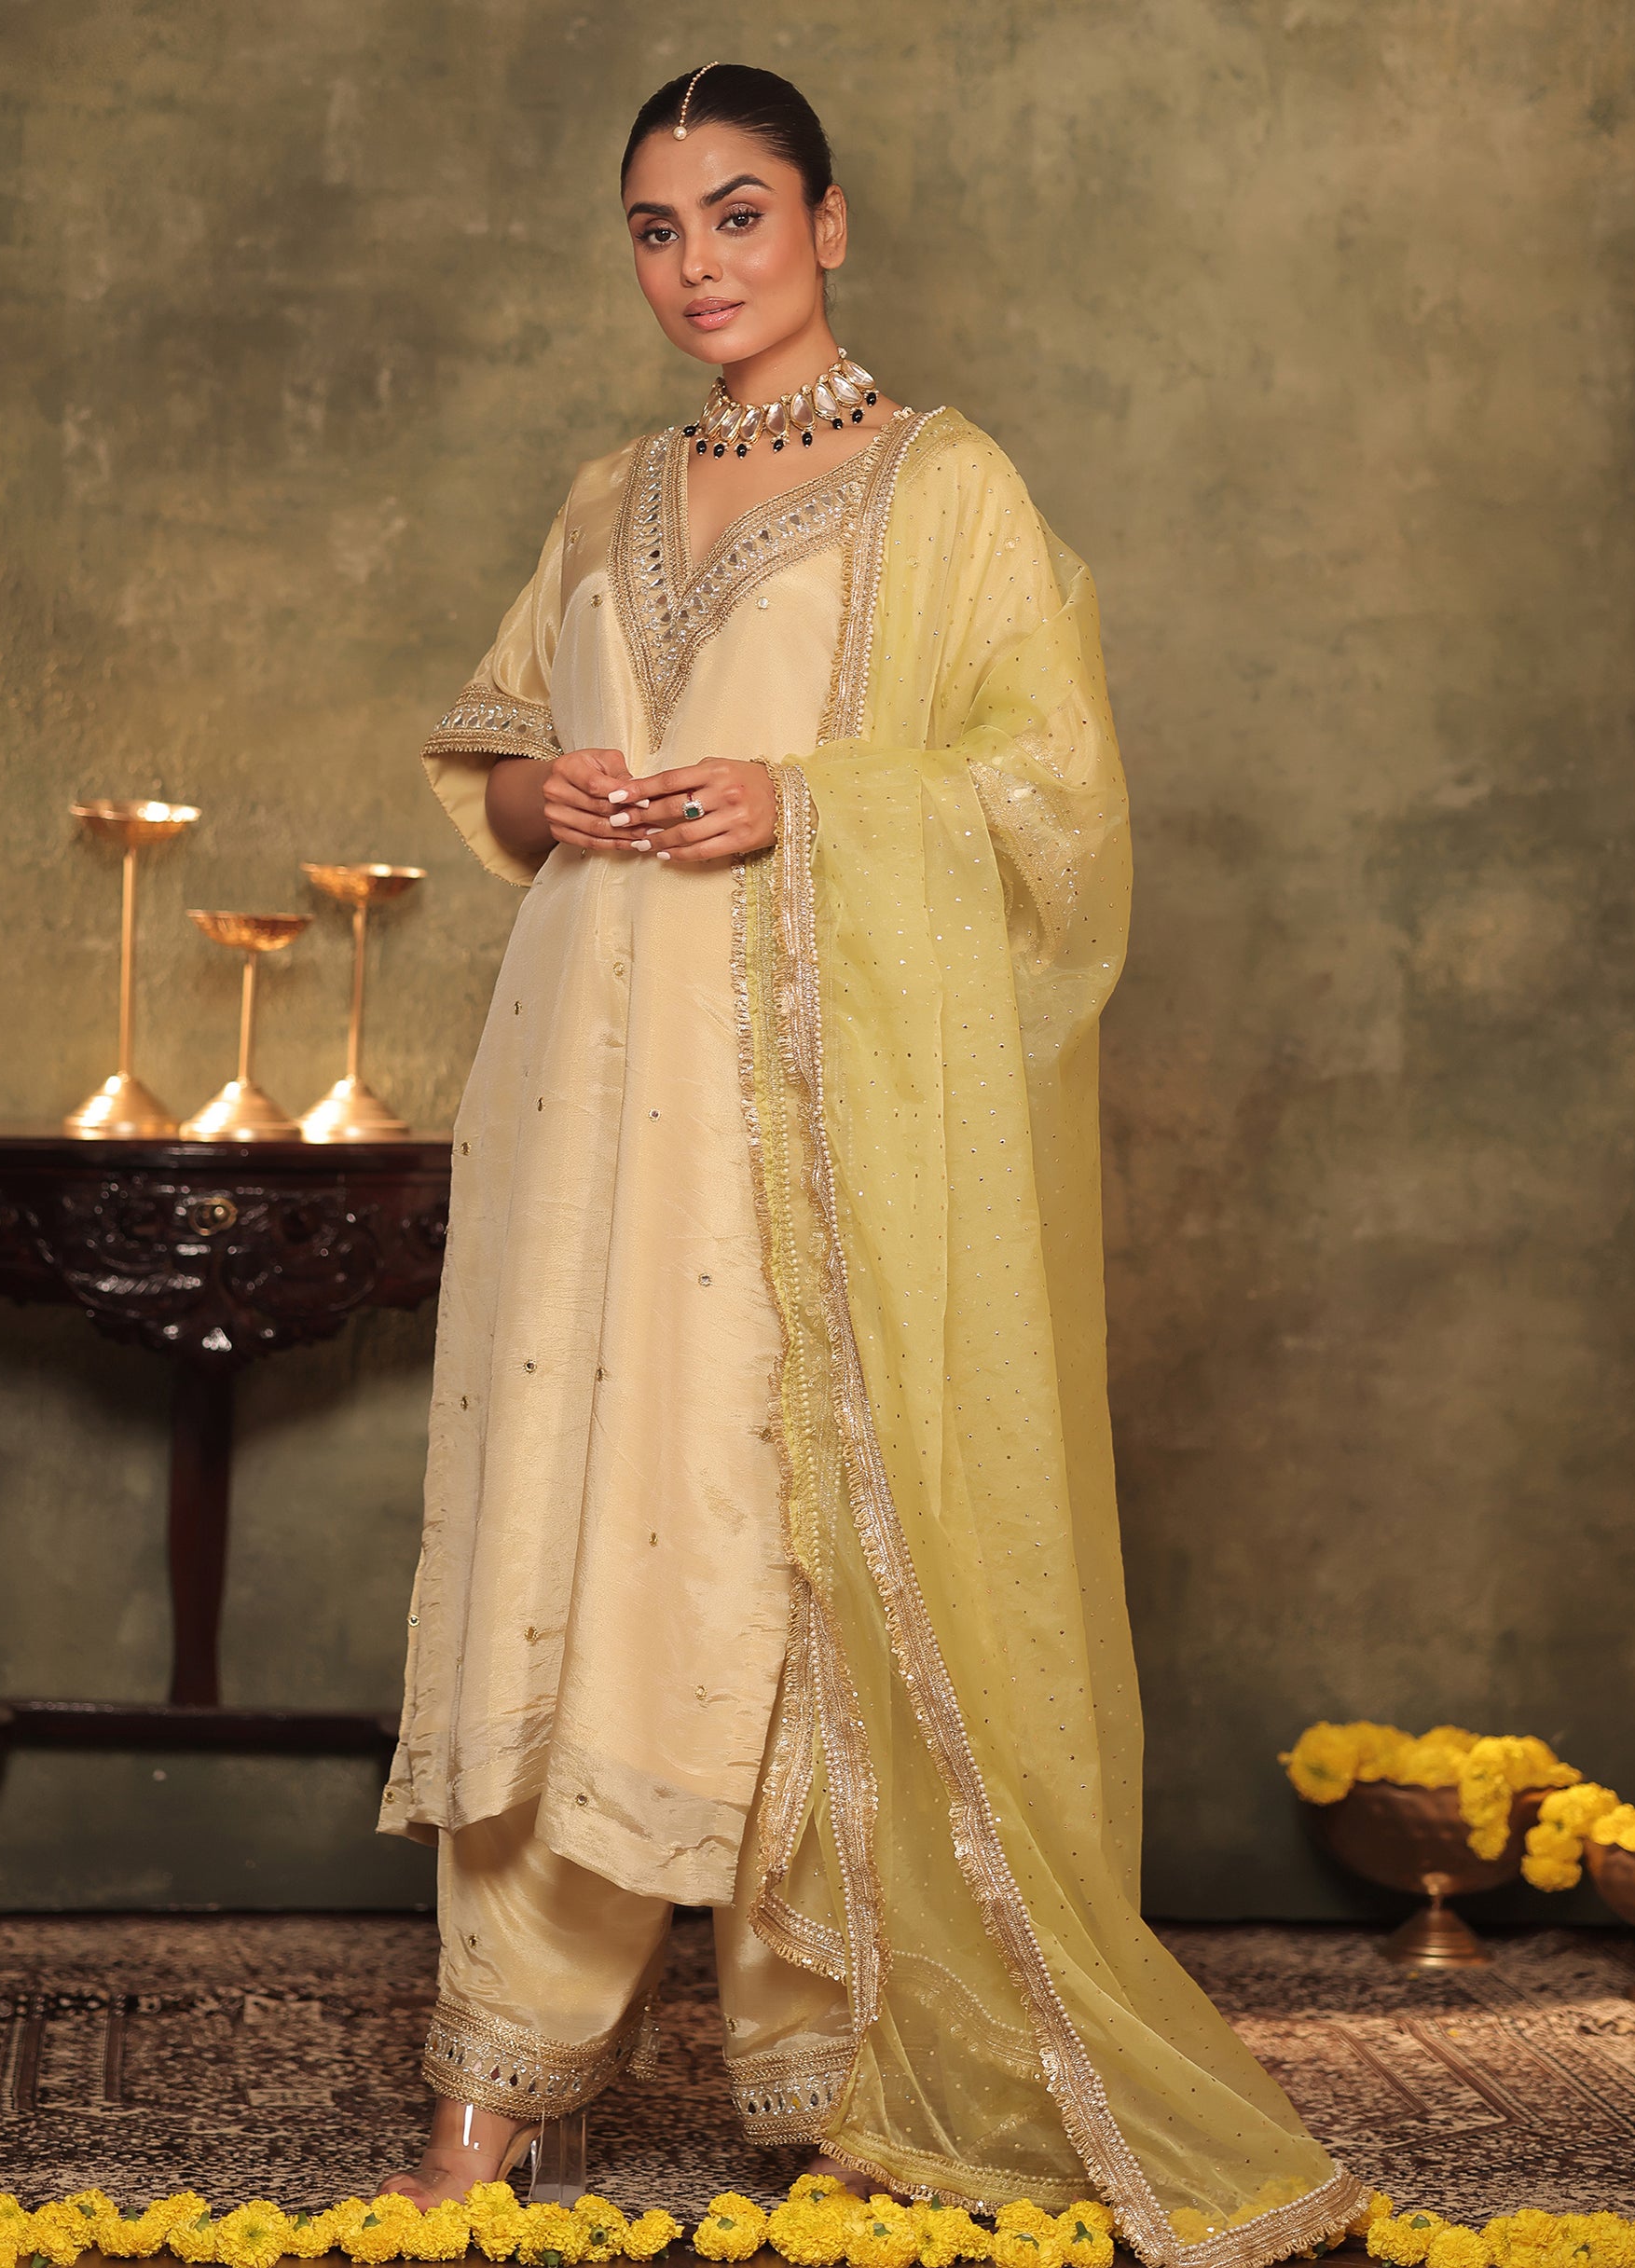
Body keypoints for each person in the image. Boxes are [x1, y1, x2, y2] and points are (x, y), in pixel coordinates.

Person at [375, 62, 1364, 2264]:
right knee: (566, 1517)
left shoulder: (949, 490)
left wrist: (800, 805)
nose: (695, 266)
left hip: (794, 1112)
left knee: (772, 1526)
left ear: (827, 223)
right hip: (579, 1086)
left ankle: (860, 2068)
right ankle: (493, 2071)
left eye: (737, 214)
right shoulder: (607, 494)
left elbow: (1052, 799)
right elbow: (501, 761)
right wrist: (566, 795)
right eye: (654, 228)